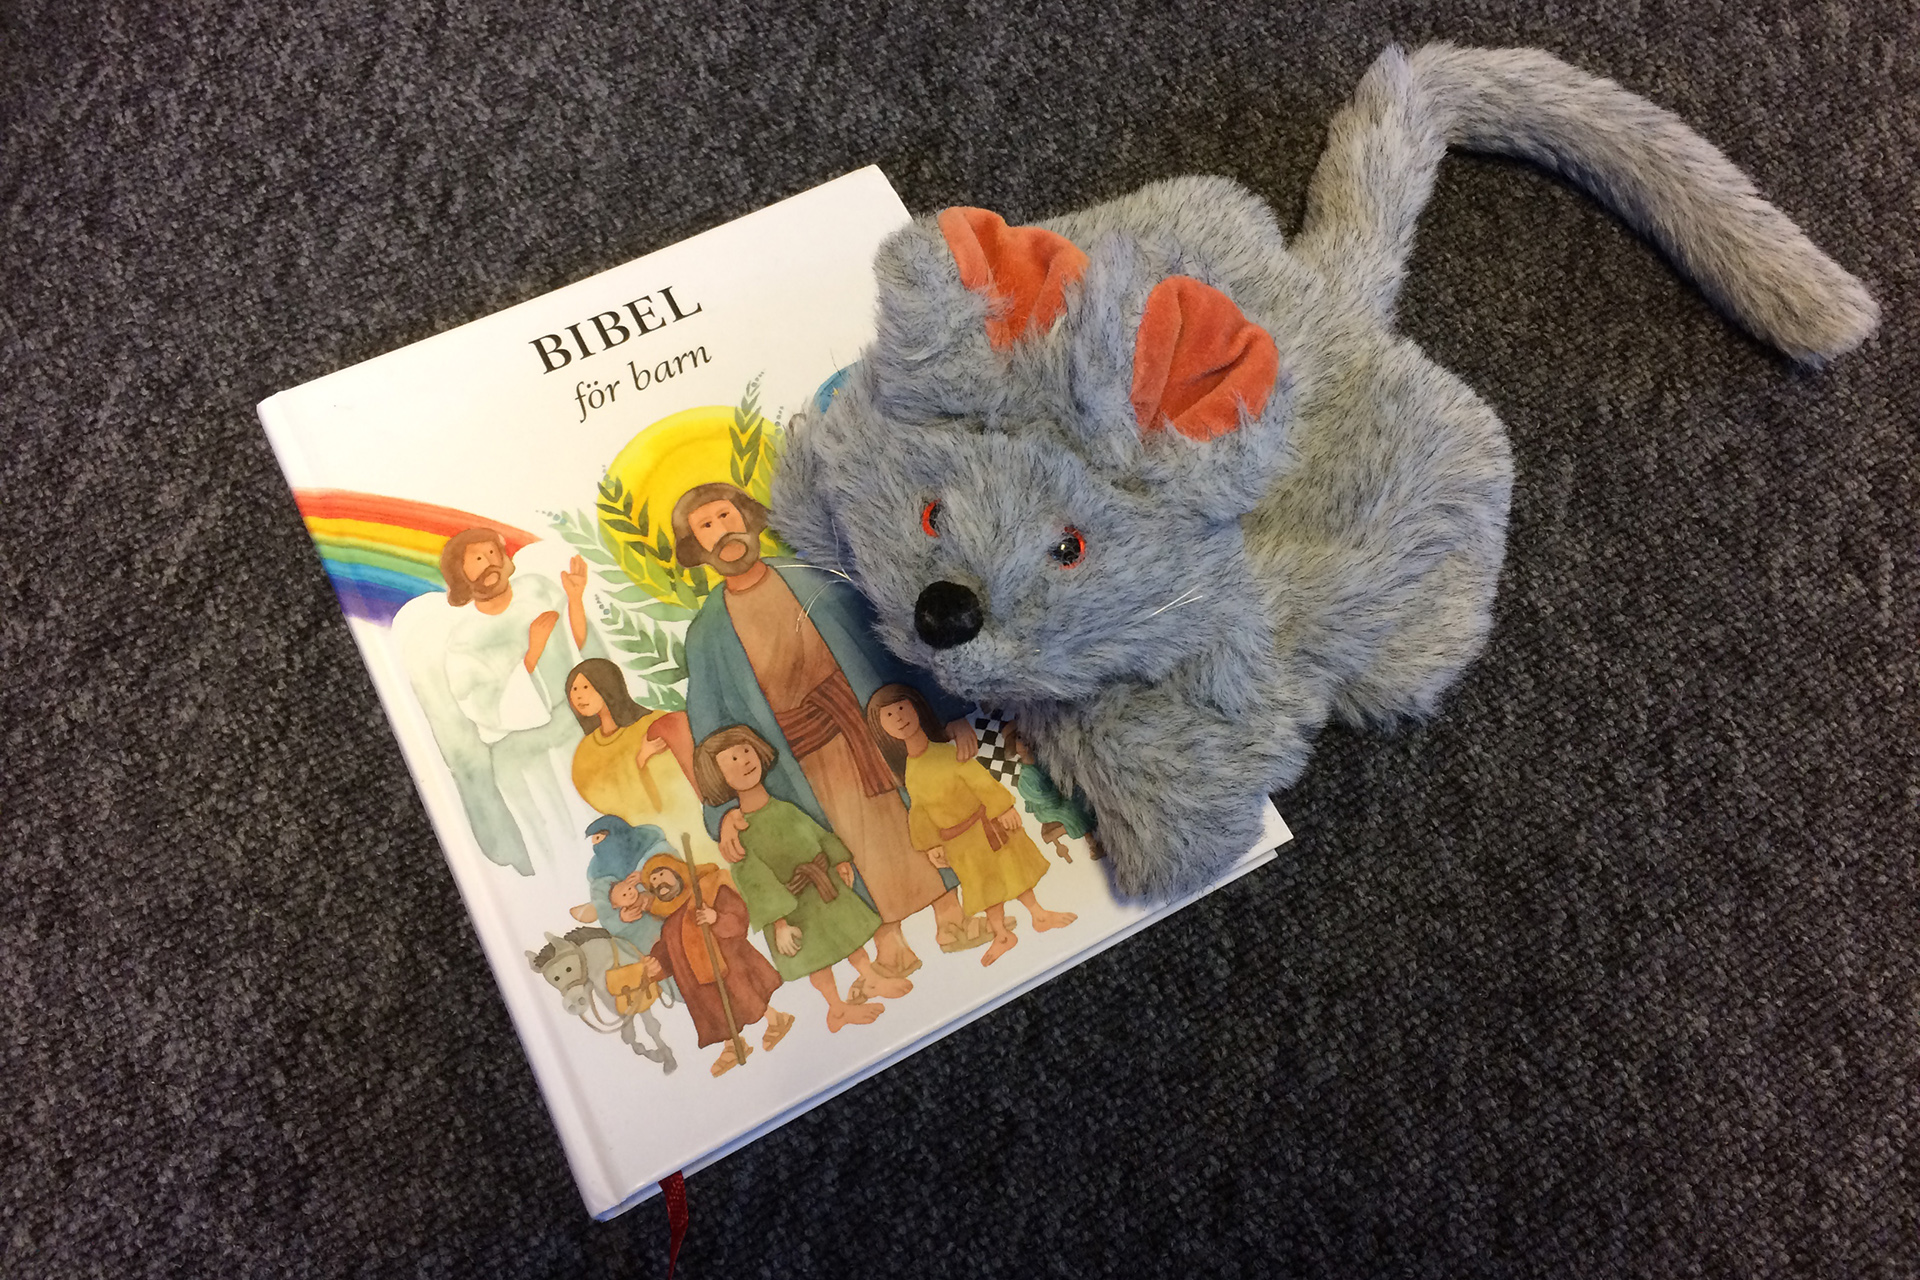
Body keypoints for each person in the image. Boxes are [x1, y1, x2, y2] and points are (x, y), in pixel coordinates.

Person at [676, 481, 989, 975]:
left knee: (903, 820)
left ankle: (949, 913)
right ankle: (887, 938)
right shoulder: (706, 635)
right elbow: (708, 725)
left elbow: (890, 643)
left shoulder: (815, 578)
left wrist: (946, 710)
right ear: (697, 548)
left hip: (866, 726)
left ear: (749, 519)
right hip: (798, 760)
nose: (722, 532)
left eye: (726, 516)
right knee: (841, 841)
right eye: (706, 526)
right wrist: (722, 811)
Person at [694, 725, 910, 1031]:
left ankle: (871, 978)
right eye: (732, 760)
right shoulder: (739, 834)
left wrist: (838, 859)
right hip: (792, 907)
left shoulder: (784, 807)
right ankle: (836, 1007)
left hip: (825, 888)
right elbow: (753, 881)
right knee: (815, 956)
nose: (745, 761)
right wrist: (779, 923)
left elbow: (815, 833)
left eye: (746, 751)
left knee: (848, 936)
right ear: (719, 777)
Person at [868, 684, 1076, 967]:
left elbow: (977, 779)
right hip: (960, 843)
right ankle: (1001, 934)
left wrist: (1002, 807)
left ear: (916, 708)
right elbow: (919, 810)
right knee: (982, 886)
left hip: (987, 825)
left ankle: (1039, 915)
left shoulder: (947, 752)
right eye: (889, 716)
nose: (899, 718)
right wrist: (930, 844)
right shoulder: (911, 771)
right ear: (882, 728)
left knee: (1013, 870)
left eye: (902, 708)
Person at [431, 527, 603, 863]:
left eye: (492, 553)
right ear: (460, 575)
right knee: (562, 839)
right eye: (477, 559)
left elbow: (579, 648)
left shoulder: (538, 591)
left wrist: (575, 599)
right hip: (522, 754)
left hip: (575, 725)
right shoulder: (463, 641)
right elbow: (483, 707)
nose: (489, 563)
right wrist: (531, 655)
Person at [630, 851, 792, 1076]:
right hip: (697, 979)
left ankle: (776, 1019)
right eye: (653, 882)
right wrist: (656, 964)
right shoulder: (670, 922)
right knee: (716, 1011)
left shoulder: (709, 888)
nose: (659, 884)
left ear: (678, 872)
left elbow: (739, 917)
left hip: (730, 962)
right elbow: (667, 952)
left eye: (661, 875)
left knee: (746, 995)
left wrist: (716, 918)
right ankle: (733, 1046)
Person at [564, 658, 720, 866]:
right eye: (574, 689)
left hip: (684, 822)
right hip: (641, 838)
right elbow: (597, 794)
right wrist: (639, 759)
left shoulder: (652, 723)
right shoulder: (586, 752)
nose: (578, 696)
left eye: (585, 687)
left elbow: (680, 779)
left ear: (607, 686)